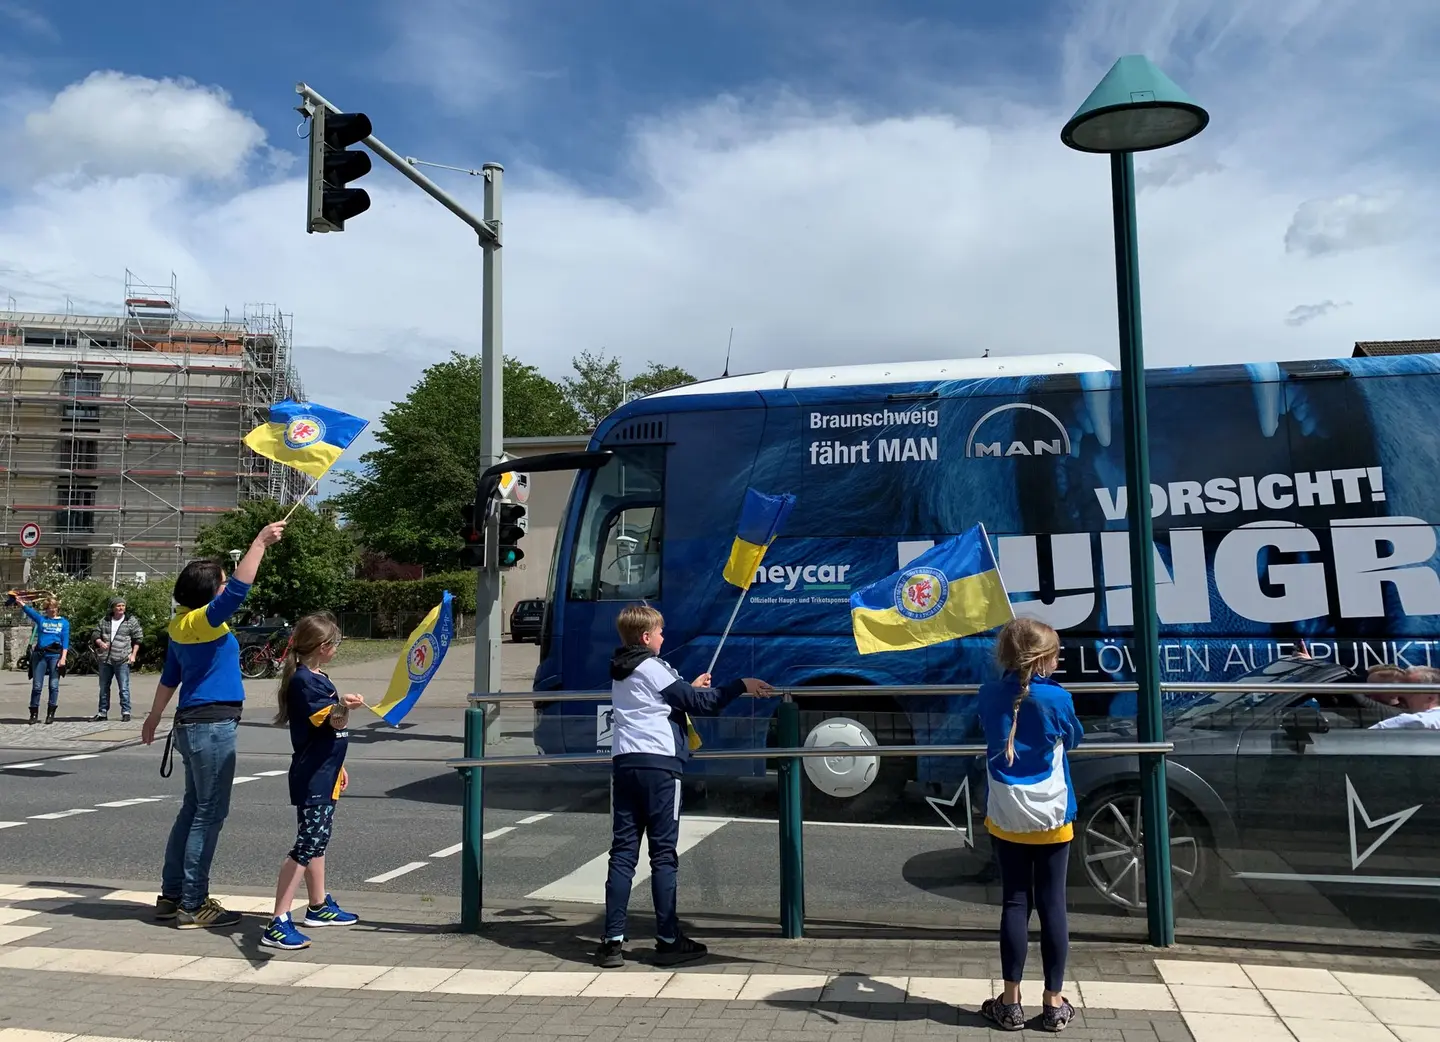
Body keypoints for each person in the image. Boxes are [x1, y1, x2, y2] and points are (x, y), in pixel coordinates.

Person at [594, 603, 772, 969]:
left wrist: (685, 688)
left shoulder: (620, 668)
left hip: (625, 763)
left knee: (623, 853)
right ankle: (668, 939)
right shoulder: (651, 665)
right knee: (662, 854)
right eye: (659, 632)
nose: (663, 637)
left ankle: (611, 942)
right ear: (646, 637)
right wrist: (741, 685)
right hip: (660, 767)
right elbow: (699, 704)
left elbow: (661, 701)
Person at [140, 520, 287, 930]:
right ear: (208, 591)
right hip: (211, 725)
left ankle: (172, 896)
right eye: (220, 582)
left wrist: (154, 716)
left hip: (192, 725)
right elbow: (239, 591)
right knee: (209, 813)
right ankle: (193, 902)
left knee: (193, 810)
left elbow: (171, 676)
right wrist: (259, 542)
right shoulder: (202, 621)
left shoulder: (184, 625)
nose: (226, 587)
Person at [978, 616, 1082, 1033]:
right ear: (1044, 660)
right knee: (1052, 903)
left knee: (1015, 903)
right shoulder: (1057, 699)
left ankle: (1009, 1003)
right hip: (1053, 815)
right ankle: (1054, 1003)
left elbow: (988, 727)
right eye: (1056, 655)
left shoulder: (988, 693)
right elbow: (1072, 738)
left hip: (1006, 815)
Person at [262, 613, 364, 950]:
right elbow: (332, 721)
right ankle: (277, 920)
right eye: (334, 644)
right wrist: (344, 706)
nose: (337, 648)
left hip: (326, 770)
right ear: (322, 647)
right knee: (307, 843)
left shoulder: (318, 677)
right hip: (313, 775)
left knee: (317, 839)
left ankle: (318, 905)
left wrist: (340, 765)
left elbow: (329, 732)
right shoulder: (306, 682)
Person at [9, 593, 69, 725]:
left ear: (57, 608)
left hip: (55, 655)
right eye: (49, 608)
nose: (52, 610)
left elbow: (65, 642)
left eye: (54, 607)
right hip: (40, 655)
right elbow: (29, 611)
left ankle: (51, 713)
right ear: (46, 609)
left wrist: (63, 658)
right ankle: (34, 713)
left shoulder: (63, 623)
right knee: (37, 686)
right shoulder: (42, 620)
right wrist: (19, 601)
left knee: (54, 685)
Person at [92, 596, 144, 722]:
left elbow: (138, 638)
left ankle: (126, 711)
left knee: (124, 687)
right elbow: (95, 633)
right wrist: (100, 643)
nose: (121, 608)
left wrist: (133, 655)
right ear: (113, 608)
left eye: (123, 606)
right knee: (104, 687)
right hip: (105, 659)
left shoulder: (130, 620)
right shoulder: (105, 620)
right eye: (118, 606)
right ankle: (102, 712)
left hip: (122, 658)